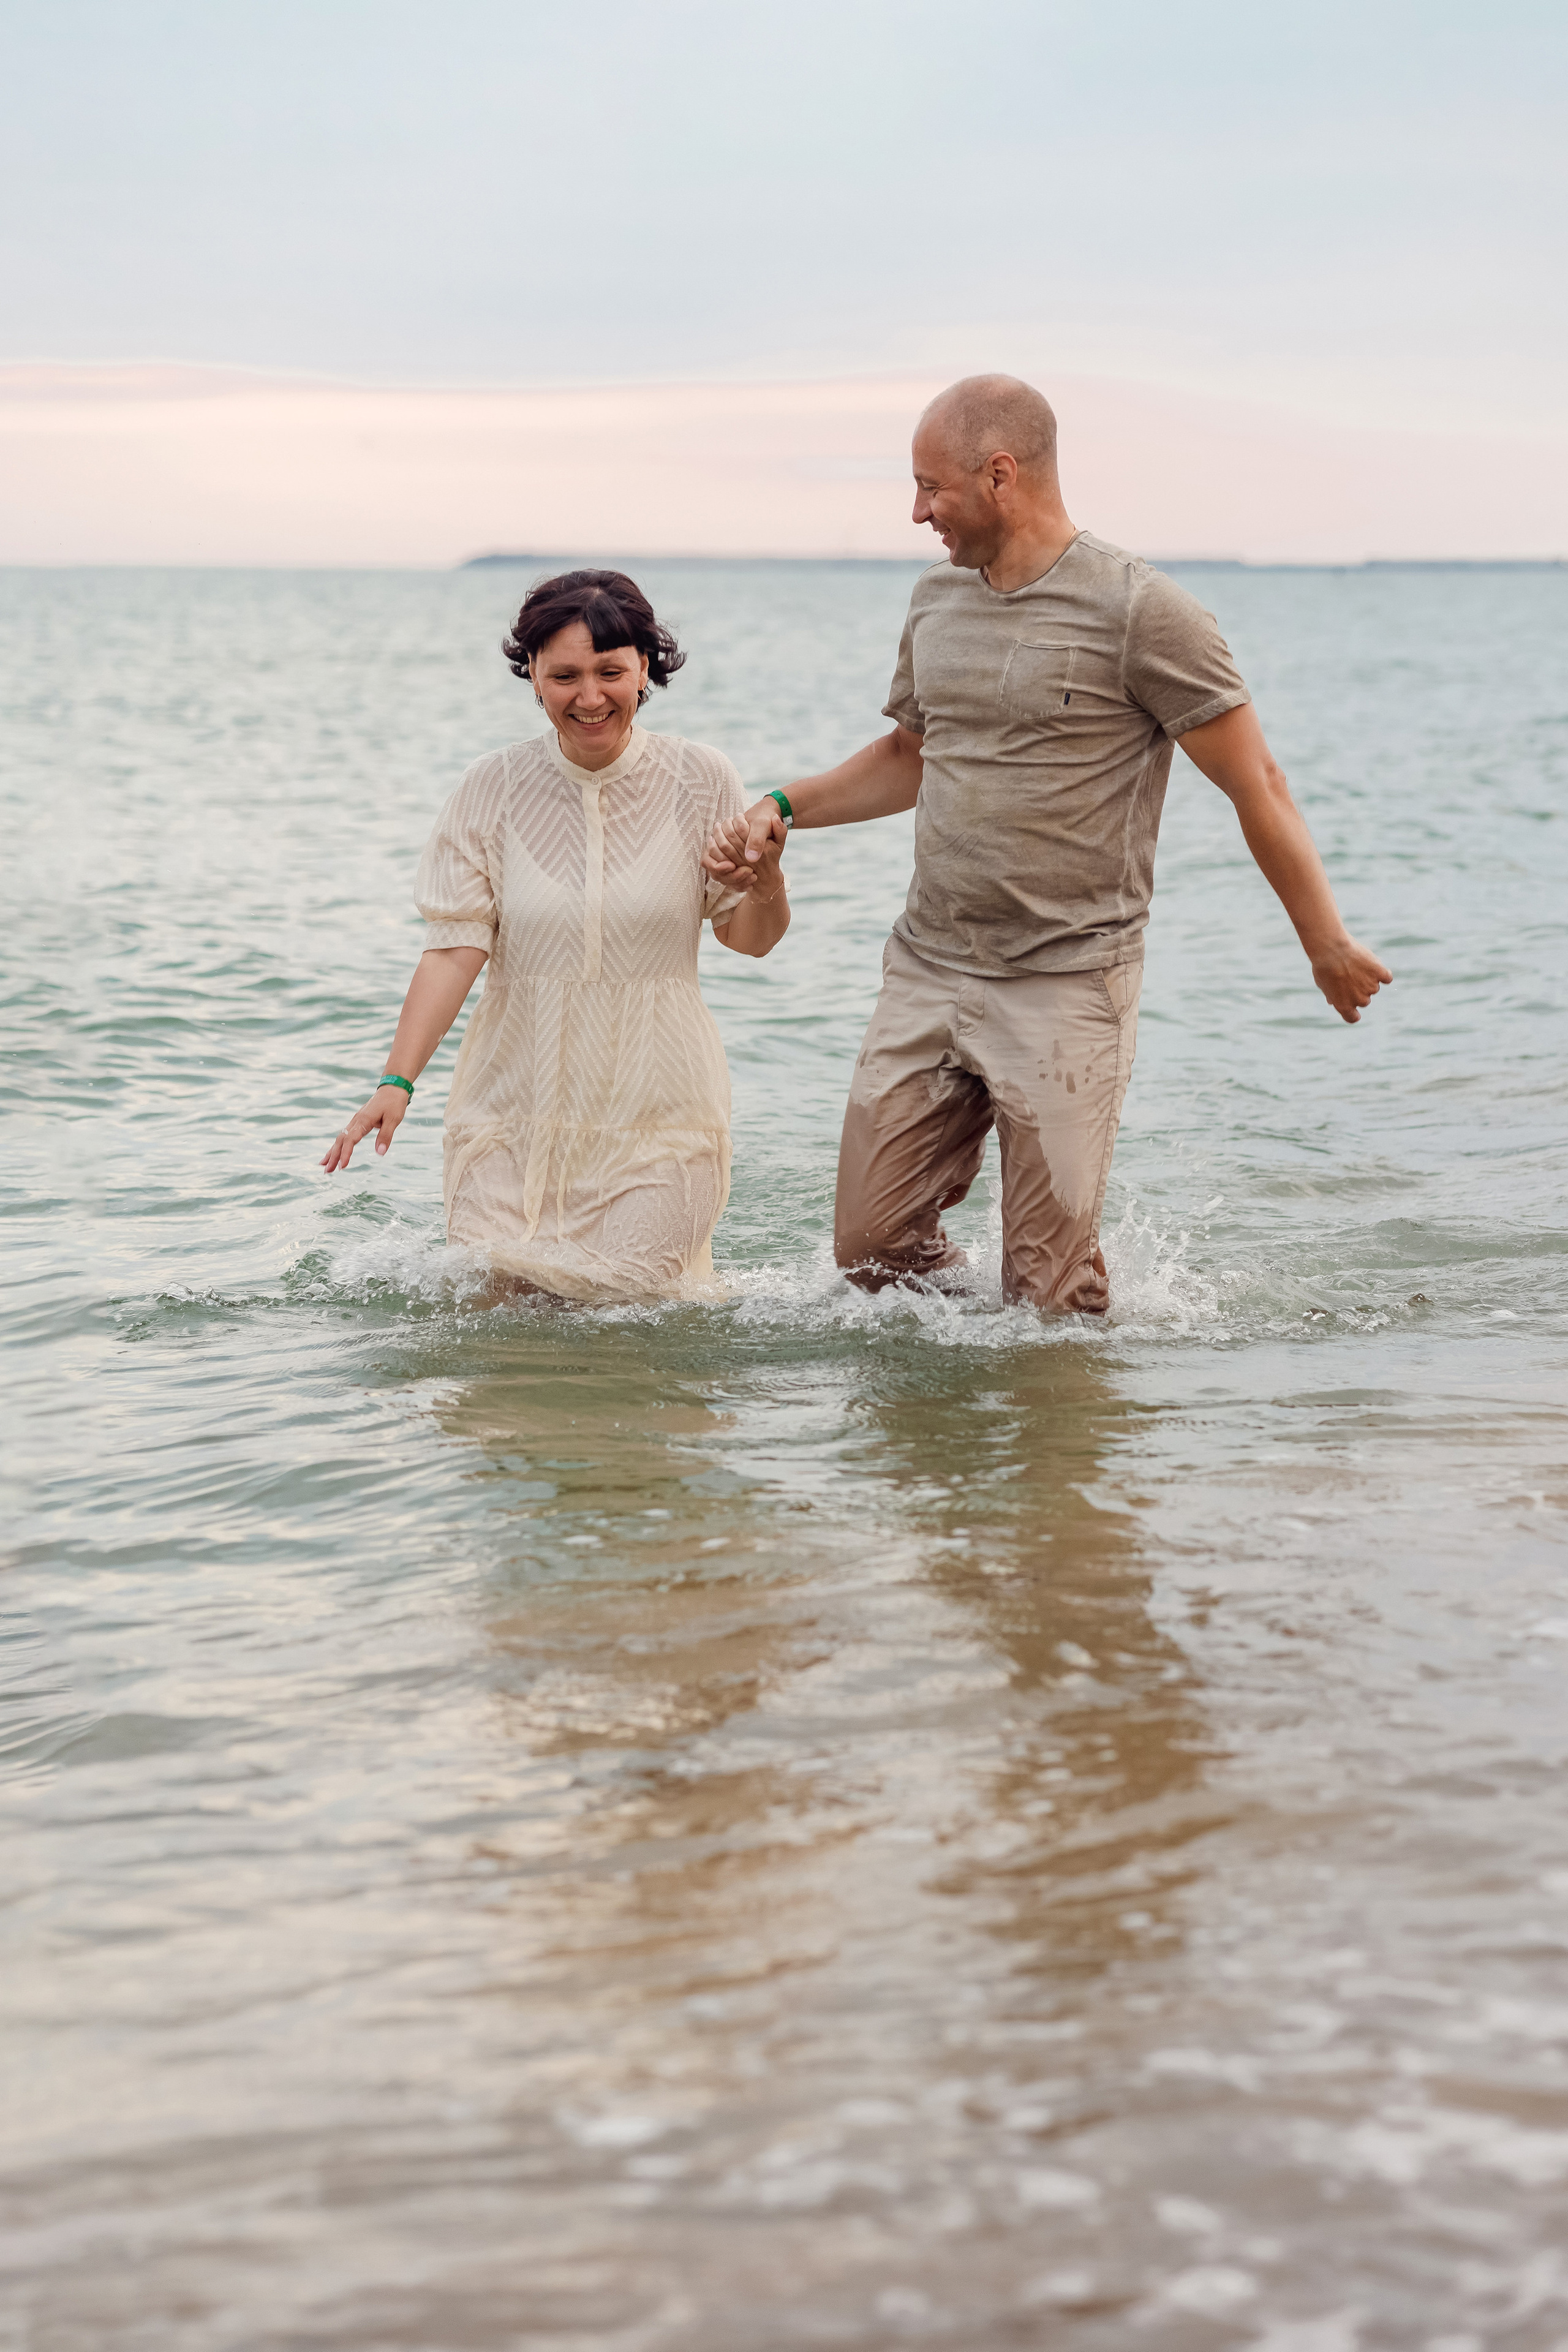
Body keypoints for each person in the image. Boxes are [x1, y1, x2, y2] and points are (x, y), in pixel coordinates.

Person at [705, 374, 1391, 1316]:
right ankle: (947, 1436)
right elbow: (911, 753)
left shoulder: (1144, 611)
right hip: (928, 967)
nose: (916, 512)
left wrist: (1325, 941)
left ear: (1000, 474)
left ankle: (1062, 1421)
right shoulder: (937, 602)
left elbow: (1257, 784)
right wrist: (783, 801)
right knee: (871, 1255)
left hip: (1068, 983)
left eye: (929, 487)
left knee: (1047, 1294)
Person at [323, 570, 788, 1300]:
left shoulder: (701, 778)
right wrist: (395, 1082)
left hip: (661, 1108)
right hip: (510, 1109)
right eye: (565, 674)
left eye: (611, 671)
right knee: (498, 1323)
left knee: (635, 1323)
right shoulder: (492, 787)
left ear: (645, 670)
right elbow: (453, 949)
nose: (591, 696)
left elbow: (751, 938)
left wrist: (767, 879)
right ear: (533, 676)